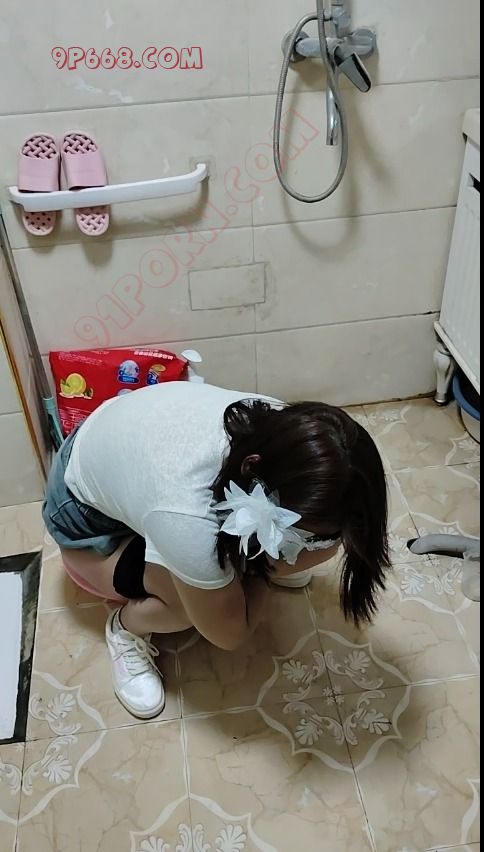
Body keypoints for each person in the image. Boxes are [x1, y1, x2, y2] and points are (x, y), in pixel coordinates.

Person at [43, 381, 390, 720]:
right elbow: (229, 632)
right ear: (253, 472)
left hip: (120, 450)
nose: (322, 547)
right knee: (186, 608)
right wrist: (260, 568)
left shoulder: (293, 437)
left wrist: (287, 548)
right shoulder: (187, 513)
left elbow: (327, 544)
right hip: (85, 520)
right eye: (303, 533)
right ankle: (127, 627)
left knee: (240, 574)